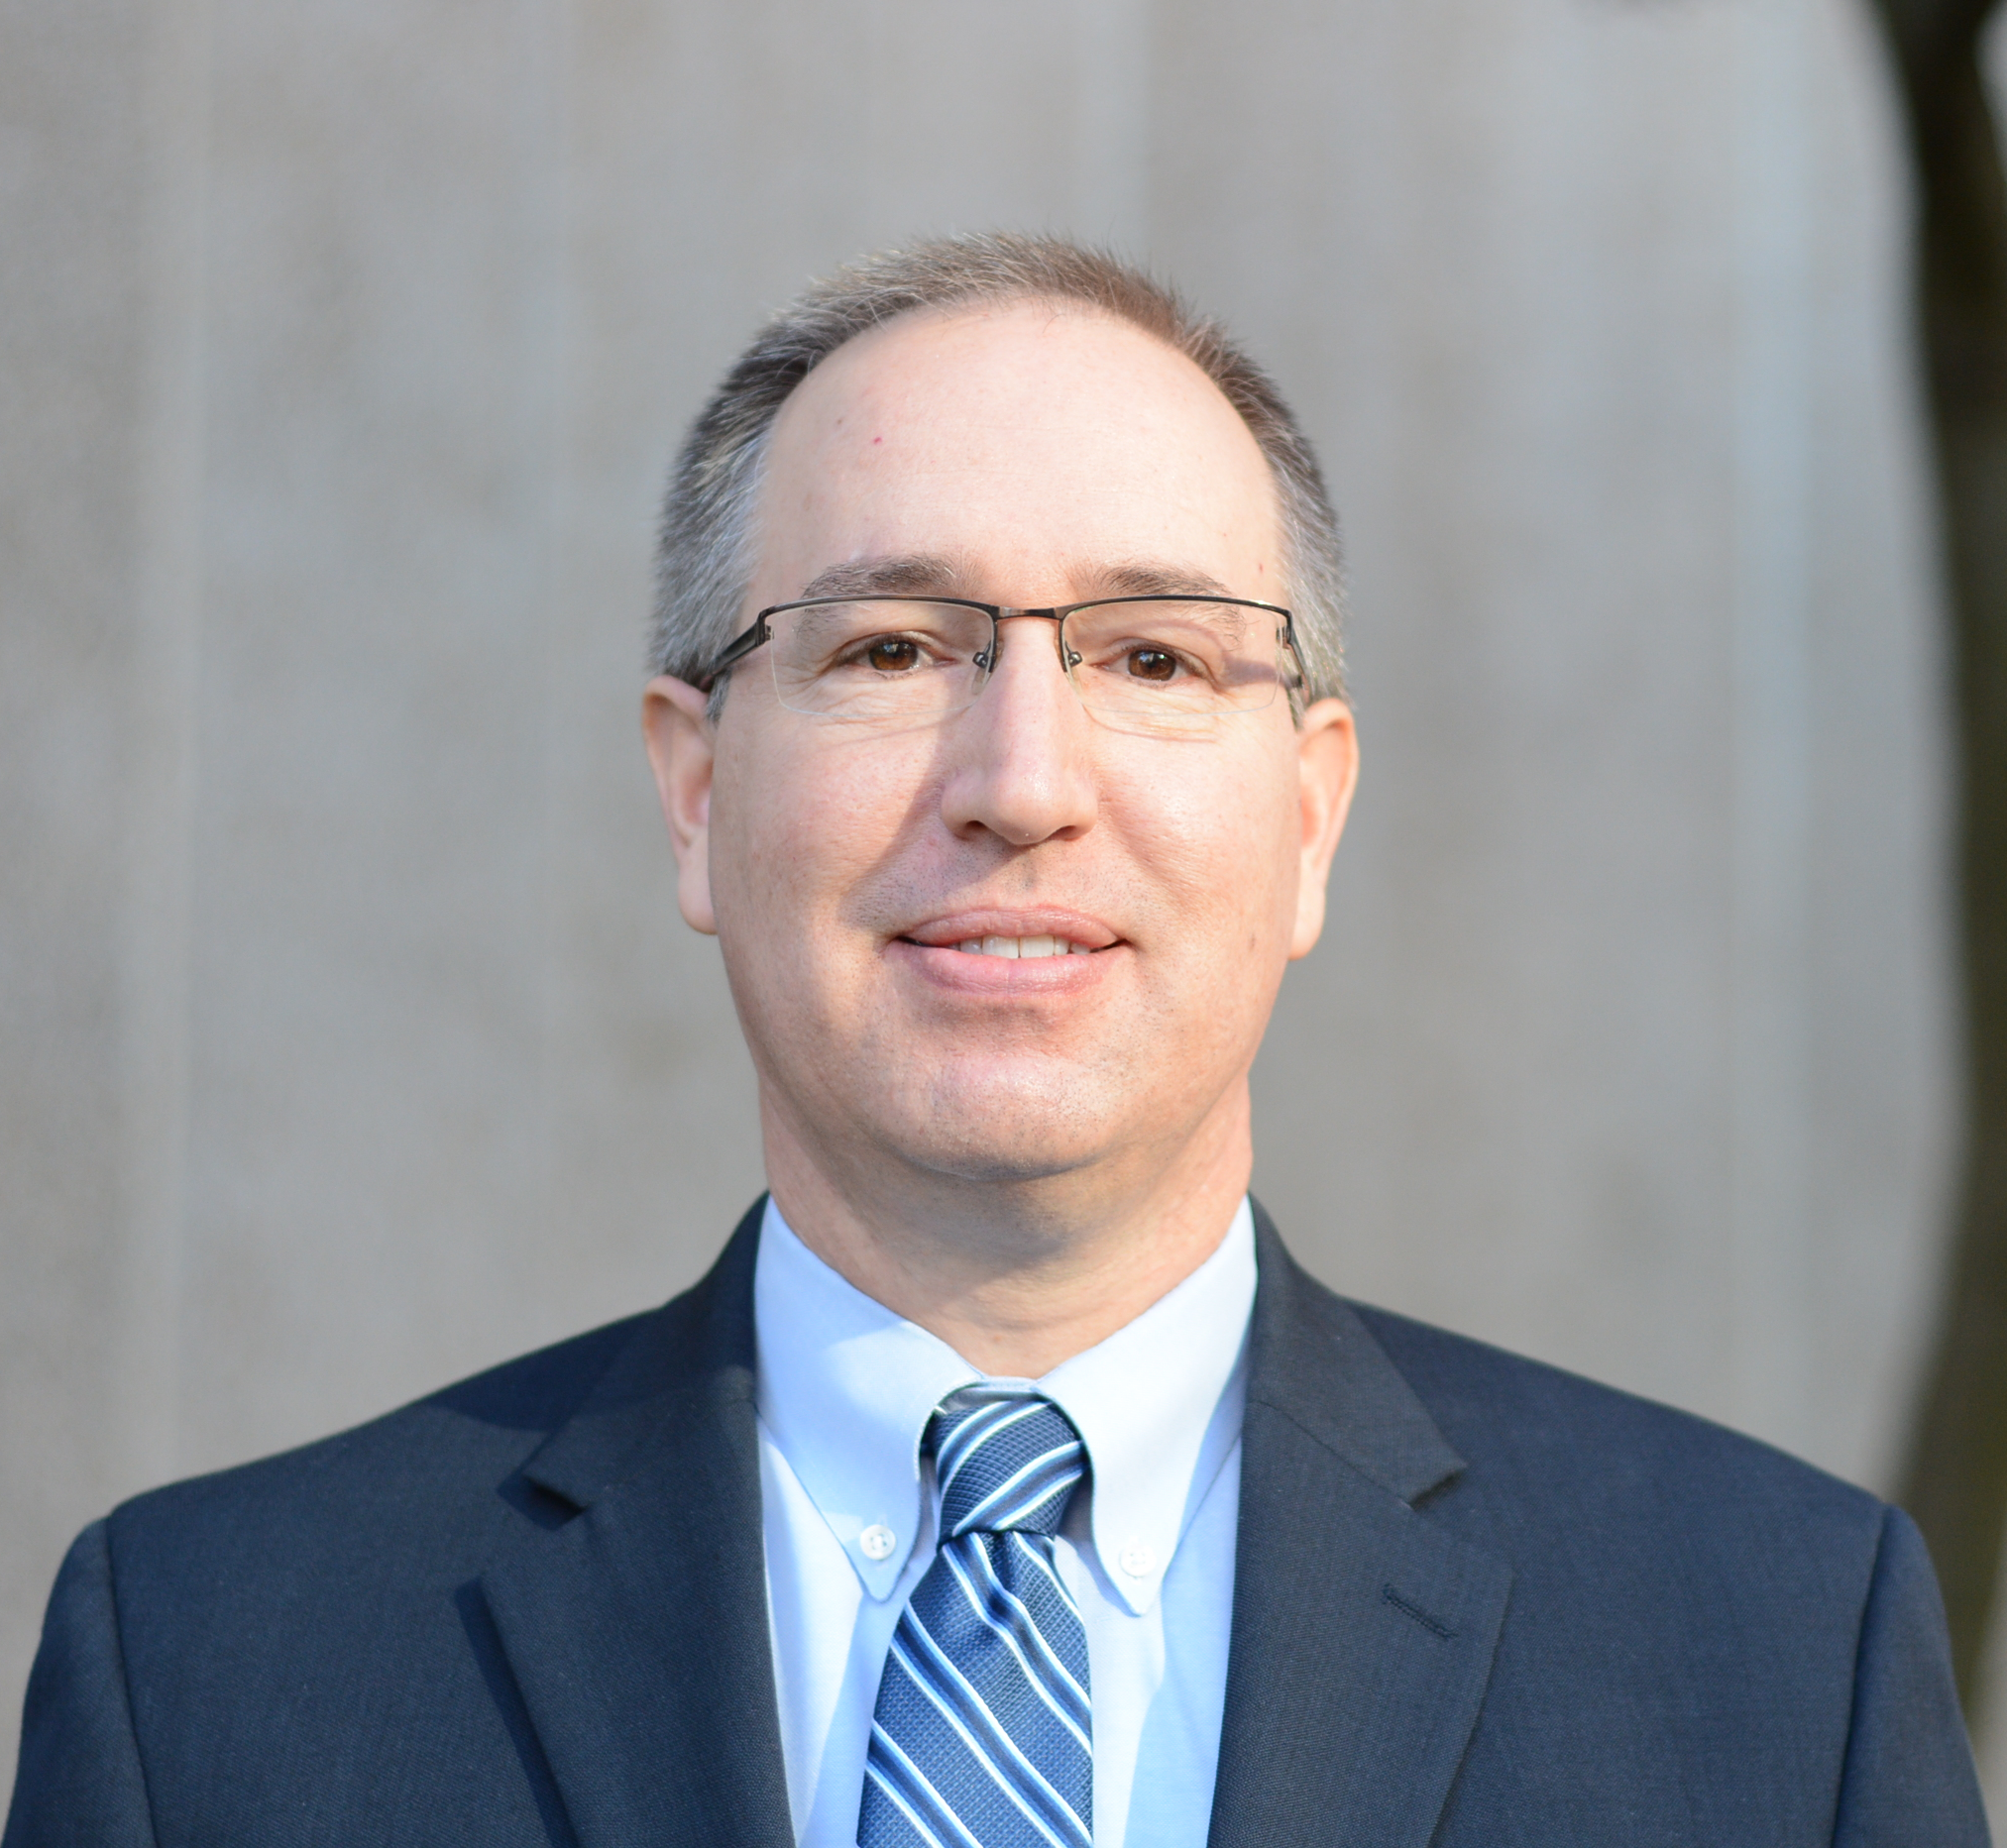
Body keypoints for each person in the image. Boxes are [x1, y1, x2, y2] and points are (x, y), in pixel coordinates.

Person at [3, 233, 1988, 1848]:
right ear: (694, 794)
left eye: (1150, 655)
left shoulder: (1771, 1655)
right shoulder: (208, 1667)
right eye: (889, 649)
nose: (1020, 779)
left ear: (1308, 816)